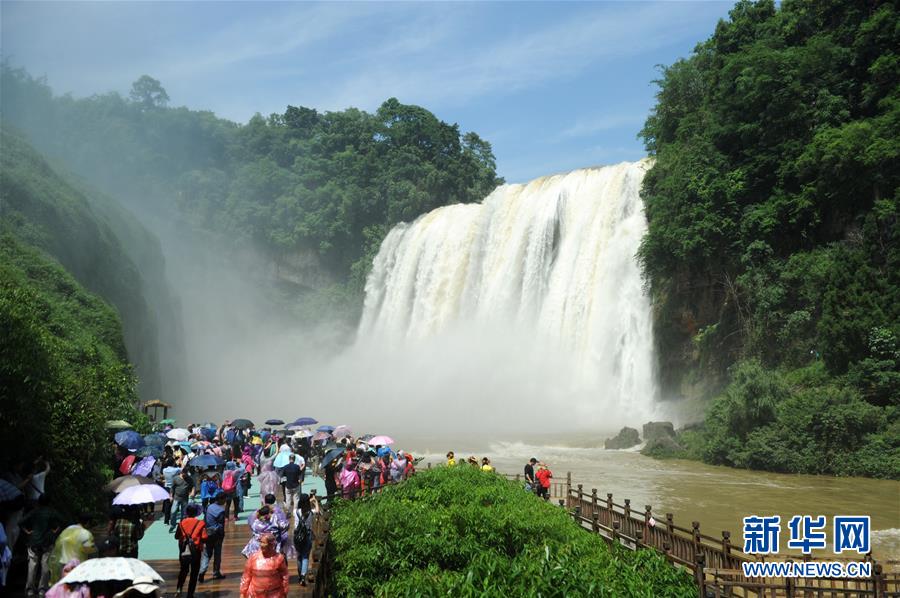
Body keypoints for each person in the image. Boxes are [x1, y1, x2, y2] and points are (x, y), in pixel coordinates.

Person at [21, 494, 63, 596]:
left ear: (38, 502)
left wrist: (27, 532)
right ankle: (42, 589)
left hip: (33, 542)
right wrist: (55, 531)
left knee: (32, 566)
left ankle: (29, 589)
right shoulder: (51, 512)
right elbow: (62, 521)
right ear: (49, 502)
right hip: (47, 543)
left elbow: (21, 522)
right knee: (45, 567)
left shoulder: (34, 512)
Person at [239, 533, 289, 598]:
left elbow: (285, 576)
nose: (261, 545)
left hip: (274, 594)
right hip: (255, 594)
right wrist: (243, 592)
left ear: (271, 545)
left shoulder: (279, 558)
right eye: (261, 542)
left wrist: (285, 591)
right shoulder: (253, 557)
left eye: (264, 543)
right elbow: (246, 576)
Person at [49, 515, 95, 583]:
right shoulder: (86, 533)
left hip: (63, 564)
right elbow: (89, 551)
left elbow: (58, 546)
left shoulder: (66, 530)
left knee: (65, 587)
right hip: (78, 566)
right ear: (87, 523)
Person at [174, 504, 207, 598]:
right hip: (196, 551)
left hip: (184, 550)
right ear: (196, 513)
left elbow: (176, 536)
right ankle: (190, 594)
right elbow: (204, 537)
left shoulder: (181, 523)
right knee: (194, 573)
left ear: (187, 512)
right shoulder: (200, 523)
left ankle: (179, 589)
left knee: (183, 570)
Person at [199, 492, 226, 583]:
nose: (225, 501)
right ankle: (216, 573)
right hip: (217, 535)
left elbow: (205, 519)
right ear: (221, 499)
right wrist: (222, 535)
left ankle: (202, 571)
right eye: (224, 499)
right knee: (217, 555)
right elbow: (221, 525)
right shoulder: (221, 511)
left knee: (207, 554)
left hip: (208, 533)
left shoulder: (209, 507)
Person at [293, 494, 316, 587]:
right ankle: (303, 576)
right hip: (307, 536)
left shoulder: (296, 512)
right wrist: (315, 501)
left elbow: (296, 507)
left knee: (299, 555)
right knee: (305, 556)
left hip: (297, 536)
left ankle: (299, 575)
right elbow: (318, 510)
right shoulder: (311, 512)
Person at [169, 469, 194, 534]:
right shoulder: (176, 478)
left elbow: (193, 486)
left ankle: (182, 526)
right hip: (176, 498)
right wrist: (171, 496)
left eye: (186, 474)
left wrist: (192, 492)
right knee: (173, 511)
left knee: (184, 514)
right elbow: (172, 488)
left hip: (185, 499)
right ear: (181, 473)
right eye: (184, 474)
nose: (185, 475)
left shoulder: (189, 479)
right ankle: (172, 525)